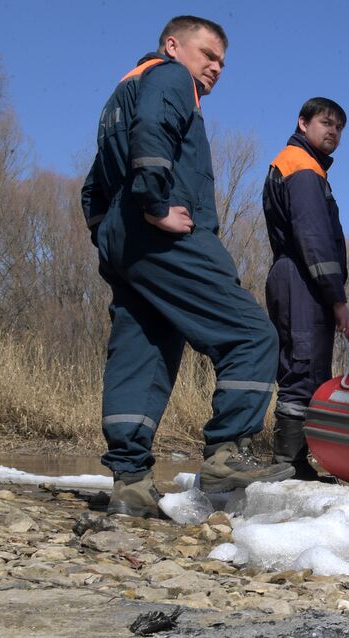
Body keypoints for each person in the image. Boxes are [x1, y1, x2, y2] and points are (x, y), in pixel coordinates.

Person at [82, 15, 293, 519]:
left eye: (223, 61)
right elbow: (154, 134)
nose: (217, 67)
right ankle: (227, 453)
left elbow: (93, 188)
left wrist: (110, 232)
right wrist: (153, 206)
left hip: (127, 241)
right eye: (208, 55)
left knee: (143, 351)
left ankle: (130, 482)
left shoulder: (121, 94)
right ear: (174, 46)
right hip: (162, 232)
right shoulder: (169, 77)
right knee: (251, 335)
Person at [262, 97, 349, 479]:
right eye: (325, 123)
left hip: (298, 276)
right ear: (303, 123)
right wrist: (337, 300)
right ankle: (288, 464)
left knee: (307, 367)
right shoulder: (301, 167)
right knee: (303, 367)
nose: (332, 131)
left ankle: (295, 460)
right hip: (301, 277)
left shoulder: (308, 167)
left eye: (339, 127)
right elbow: (314, 238)